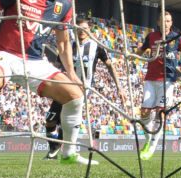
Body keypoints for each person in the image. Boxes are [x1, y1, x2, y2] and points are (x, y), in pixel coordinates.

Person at [0, 0, 94, 165]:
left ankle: (68, 153)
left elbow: (62, 43)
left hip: (35, 62)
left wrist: (71, 73)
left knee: (75, 95)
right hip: (5, 54)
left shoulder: (66, 4)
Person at [43, 17, 125, 159]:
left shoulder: (97, 47)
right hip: (64, 87)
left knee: (66, 120)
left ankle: (61, 152)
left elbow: (110, 65)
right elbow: (57, 66)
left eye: (85, 29)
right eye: (79, 28)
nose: (82, 31)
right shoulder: (68, 45)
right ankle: (55, 146)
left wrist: (119, 87)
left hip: (81, 91)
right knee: (50, 121)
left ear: (89, 30)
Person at [136, 11, 181, 160]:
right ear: (158, 22)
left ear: (171, 22)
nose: (166, 24)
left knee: (160, 113)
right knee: (144, 112)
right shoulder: (152, 36)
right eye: (163, 21)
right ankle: (148, 140)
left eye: (168, 21)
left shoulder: (177, 38)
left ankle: (153, 146)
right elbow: (140, 51)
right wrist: (135, 52)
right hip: (150, 78)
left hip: (168, 80)